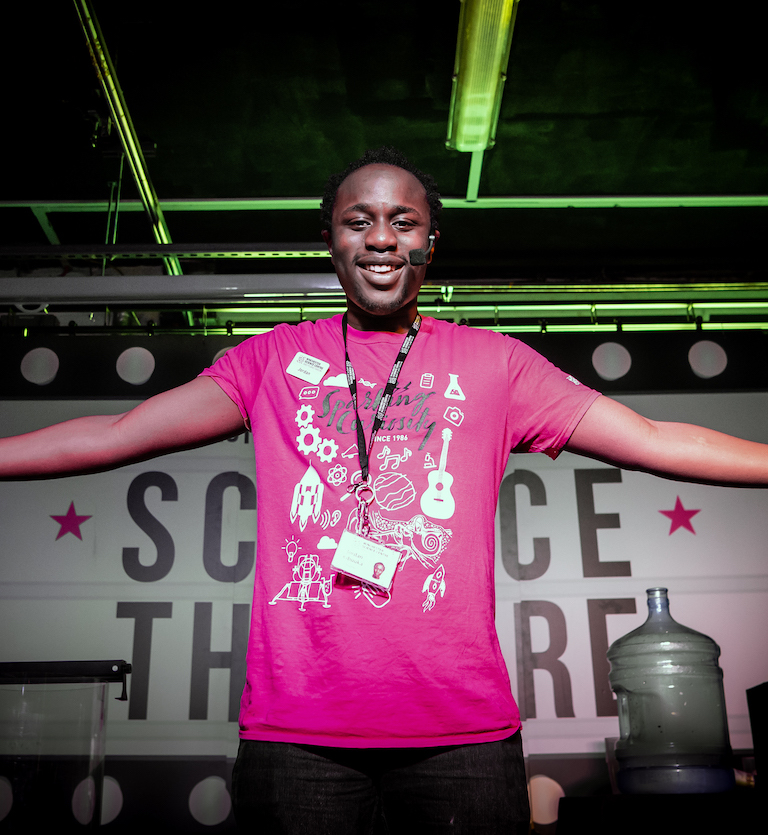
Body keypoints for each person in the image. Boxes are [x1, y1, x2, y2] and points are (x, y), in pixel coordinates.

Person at [2, 147, 768, 834]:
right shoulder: (270, 361)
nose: (380, 238)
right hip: (297, 737)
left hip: (463, 738)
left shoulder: (497, 365)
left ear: (431, 242)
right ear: (330, 240)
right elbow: (115, 434)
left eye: (403, 221)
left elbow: (658, 440)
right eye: (357, 220)